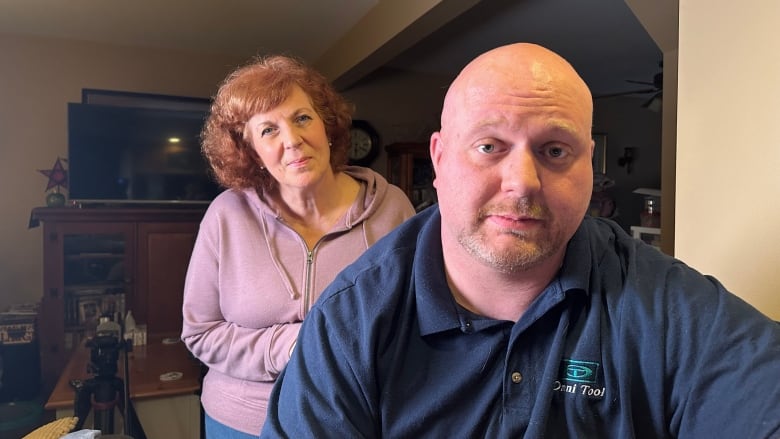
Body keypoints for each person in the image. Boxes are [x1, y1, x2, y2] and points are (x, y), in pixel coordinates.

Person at [260, 43, 780, 438]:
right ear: (438, 160)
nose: (523, 180)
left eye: (555, 151)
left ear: (588, 171)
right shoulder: (349, 325)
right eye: (489, 146)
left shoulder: (670, 309)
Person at [181, 55, 416, 438]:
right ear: (250, 149)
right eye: (268, 130)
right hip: (241, 423)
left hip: (354, 421)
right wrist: (289, 346)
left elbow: (413, 322)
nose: (292, 140)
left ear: (327, 124)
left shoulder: (391, 208)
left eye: (302, 118)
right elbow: (200, 333)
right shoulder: (226, 215)